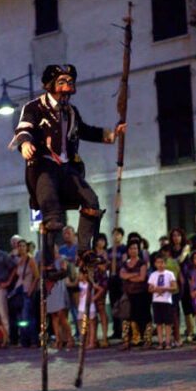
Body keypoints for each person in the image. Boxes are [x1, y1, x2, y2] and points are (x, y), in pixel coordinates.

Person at [12, 64, 126, 281]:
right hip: (43, 166)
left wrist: (112, 135)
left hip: (67, 168)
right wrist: (25, 144)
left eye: (70, 83)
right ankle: (47, 267)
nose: (67, 89)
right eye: (62, 83)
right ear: (51, 86)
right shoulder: (34, 107)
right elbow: (23, 129)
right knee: (52, 214)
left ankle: (84, 252)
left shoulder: (72, 112)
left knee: (91, 201)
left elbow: (85, 131)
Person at [121, 239, 151, 349]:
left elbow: (142, 278)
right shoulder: (125, 263)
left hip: (141, 293)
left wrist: (128, 276)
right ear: (128, 250)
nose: (133, 250)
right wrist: (134, 275)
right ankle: (129, 340)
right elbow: (122, 275)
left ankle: (147, 339)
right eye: (131, 248)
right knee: (128, 317)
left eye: (135, 248)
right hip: (128, 294)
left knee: (144, 316)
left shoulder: (142, 263)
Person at [12, 240, 40, 347]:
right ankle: (24, 340)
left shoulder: (30, 259)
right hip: (19, 291)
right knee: (20, 318)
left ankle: (33, 340)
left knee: (27, 317)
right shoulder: (19, 260)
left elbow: (36, 276)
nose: (21, 248)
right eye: (19, 246)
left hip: (27, 291)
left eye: (23, 246)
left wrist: (30, 290)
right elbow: (15, 274)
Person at [169, 227, 194, 343]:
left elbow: (180, 259)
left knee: (187, 305)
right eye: (174, 235)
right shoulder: (170, 249)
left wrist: (171, 261)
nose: (176, 238)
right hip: (173, 279)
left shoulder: (186, 247)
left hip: (184, 278)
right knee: (174, 307)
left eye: (178, 235)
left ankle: (190, 332)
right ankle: (176, 333)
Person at [148, 254, 177, 350]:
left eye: (162, 262)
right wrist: (155, 289)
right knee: (159, 323)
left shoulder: (170, 274)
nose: (160, 264)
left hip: (166, 301)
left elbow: (174, 287)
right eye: (158, 262)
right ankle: (160, 342)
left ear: (165, 263)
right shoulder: (153, 274)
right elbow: (150, 288)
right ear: (155, 264)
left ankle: (168, 341)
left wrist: (164, 288)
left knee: (167, 323)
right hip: (156, 301)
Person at [47, 249, 74, 349]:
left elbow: (63, 272)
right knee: (53, 316)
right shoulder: (46, 261)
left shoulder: (62, 259)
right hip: (50, 288)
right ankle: (58, 340)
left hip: (59, 287)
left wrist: (51, 273)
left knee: (62, 315)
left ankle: (70, 338)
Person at [107, 227, 128, 340]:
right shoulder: (110, 250)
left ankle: (125, 330)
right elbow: (107, 263)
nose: (116, 237)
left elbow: (124, 262)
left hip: (122, 280)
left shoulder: (124, 249)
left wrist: (116, 263)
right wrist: (110, 264)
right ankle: (116, 330)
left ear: (122, 236)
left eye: (118, 234)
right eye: (114, 234)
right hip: (112, 280)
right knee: (114, 305)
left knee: (123, 305)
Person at [160, 245, 183, 348]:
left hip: (166, 292)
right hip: (175, 291)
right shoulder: (175, 263)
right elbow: (181, 278)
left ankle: (172, 338)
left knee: (169, 317)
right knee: (174, 316)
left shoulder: (164, 263)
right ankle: (177, 338)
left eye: (165, 251)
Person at [77, 266, 102, 349]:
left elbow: (100, 289)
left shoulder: (90, 284)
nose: (79, 275)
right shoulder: (80, 283)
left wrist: (93, 298)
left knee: (91, 324)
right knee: (83, 324)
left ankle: (91, 342)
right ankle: (85, 341)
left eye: (80, 274)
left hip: (90, 307)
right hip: (81, 307)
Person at [93, 233, 110, 348]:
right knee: (92, 311)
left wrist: (96, 263)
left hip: (101, 281)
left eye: (103, 241)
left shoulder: (105, 254)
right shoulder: (91, 253)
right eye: (99, 240)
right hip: (92, 281)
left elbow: (104, 268)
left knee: (101, 308)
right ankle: (93, 338)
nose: (100, 243)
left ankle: (104, 337)